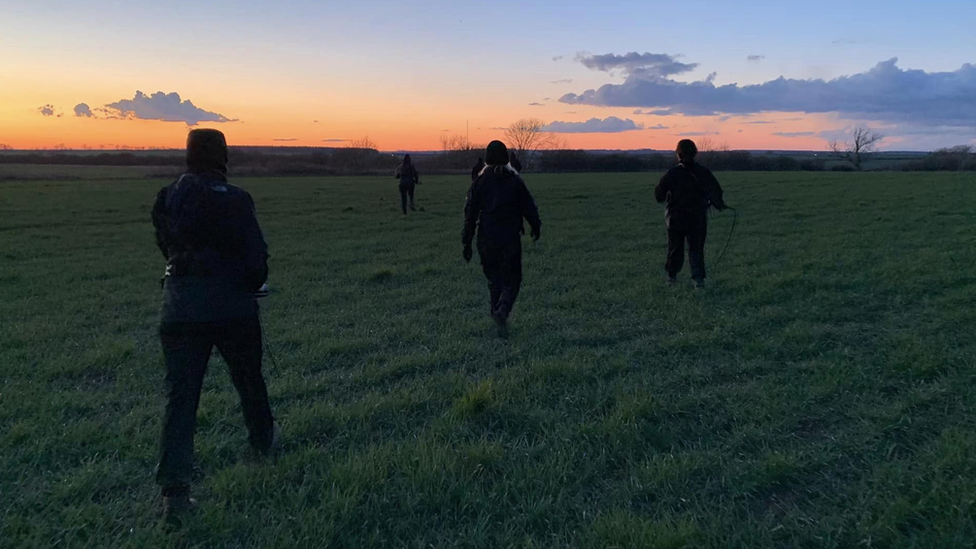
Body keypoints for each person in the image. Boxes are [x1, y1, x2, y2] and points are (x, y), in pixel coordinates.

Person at [150, 129, 280, 525]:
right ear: (222, 156)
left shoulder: (167, 197)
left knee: (181, 400)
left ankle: (175, 493)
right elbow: (257, 259)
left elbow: (166, 247)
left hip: (178, 308)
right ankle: (263, 444)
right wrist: (249, 282)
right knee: (249, 380)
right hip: (231, 309)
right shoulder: (237, 199)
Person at [462, 140, 541, 328]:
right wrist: (535, 225)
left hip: (486, 238)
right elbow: (528, 206)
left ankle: (496, 312)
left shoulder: (479, 182)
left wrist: (467, 242)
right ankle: (503, 310)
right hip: (509, 237)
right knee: (513, 278)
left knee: (494, 279)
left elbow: (470, 214)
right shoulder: (514, 180)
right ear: (506, 158)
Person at [654, 139, 727, 288]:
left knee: (675, 249)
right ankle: (698, 282)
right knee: (696, 249)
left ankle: (671, 278)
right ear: (695, 153)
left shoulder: (672, 173)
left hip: (675, 219)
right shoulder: (704, 172)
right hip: (697, 218)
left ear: (679, 154)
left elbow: (658, 196)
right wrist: (719, 204)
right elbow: (716, 191)